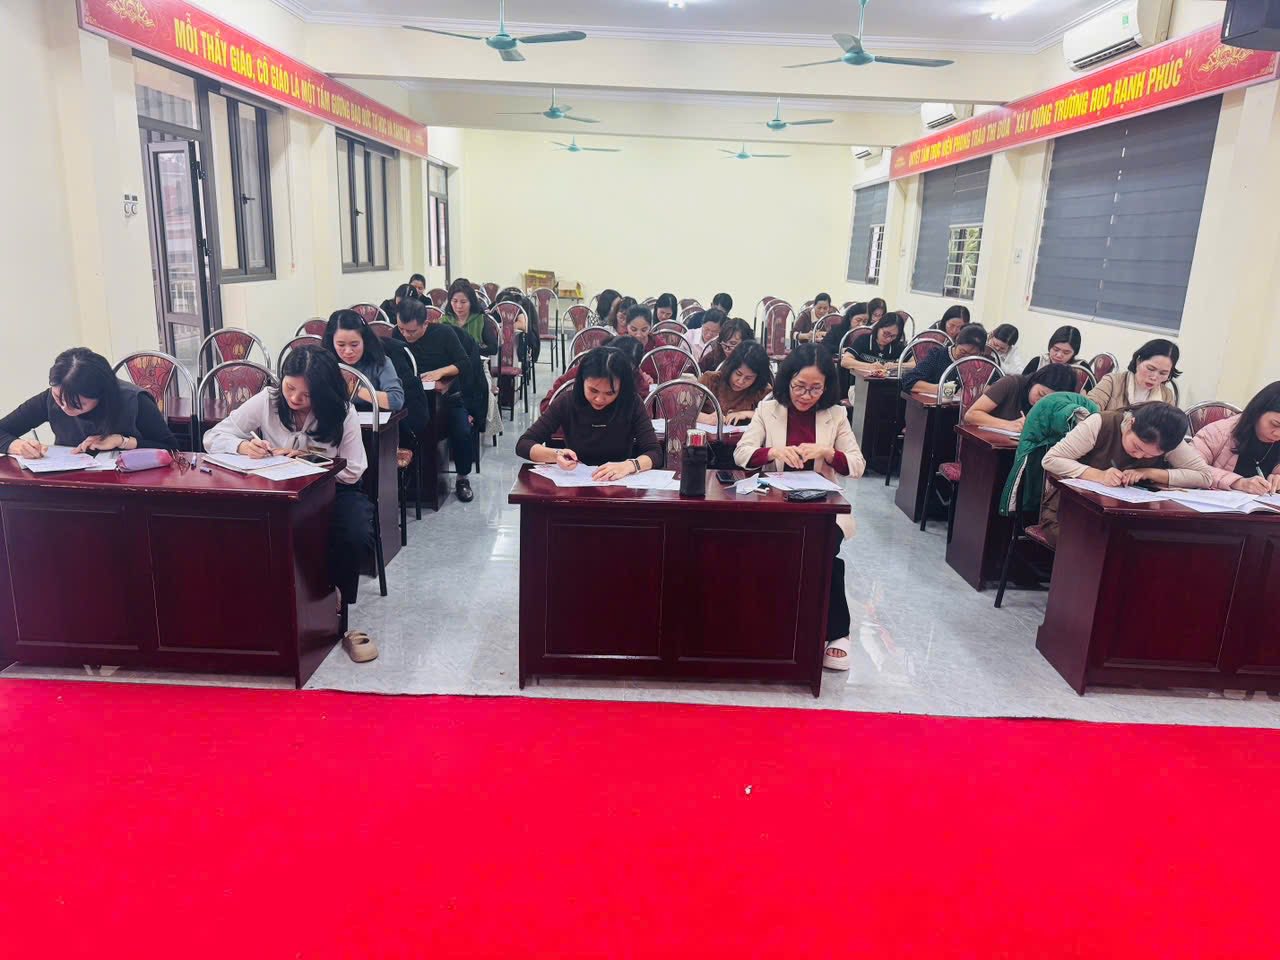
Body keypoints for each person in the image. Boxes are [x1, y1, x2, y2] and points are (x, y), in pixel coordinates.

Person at [202, 347, 377, 662]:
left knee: (354, 532)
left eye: (307, 394)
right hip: (280, 488)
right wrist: (243, 446)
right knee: (244, 529)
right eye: (290, 387)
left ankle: (337, 602)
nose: (295, 398)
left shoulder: (343, 412)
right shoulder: (268, 400)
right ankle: (262, 610)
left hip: (332, 490)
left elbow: (353, 471)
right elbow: (213, 437)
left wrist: (307, 459)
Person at [734, 344, 865, 672]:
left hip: (820, 506)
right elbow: (742, 454)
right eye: (799, 386)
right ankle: (771, 622)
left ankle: (837, 633)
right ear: (787, 380)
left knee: (824, 552)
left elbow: (857, 465)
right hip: (774, 502)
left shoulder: (836, 414)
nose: (806, 396)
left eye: (815, 388)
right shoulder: (768, 408)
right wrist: (774, 452)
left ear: (826, 386)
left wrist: (827, 452)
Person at [1039, 402, 1213, 545]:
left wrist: (1149, 472)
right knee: (1093, 546)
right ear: (1131, 424)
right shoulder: (1102, 423)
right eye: (1137, 447)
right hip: (1073, 511)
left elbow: (1204, 477)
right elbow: (1051, 459)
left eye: (1150, 455)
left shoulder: (1166, 439)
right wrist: (1099, 475)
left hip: (1130, 518)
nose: (1139, 456)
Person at [0, 347, 178, 457]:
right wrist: (17, 446)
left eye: (77, 405)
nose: (65, 408)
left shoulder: (134, 400)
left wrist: (122, 441)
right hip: (71, 482)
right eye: (59, 399)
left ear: (101, 394)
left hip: (128, 486)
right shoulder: (49, 399)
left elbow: (172, 449)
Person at [517, 346, 662, 479]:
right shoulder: (566, 402)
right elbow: (524, 444)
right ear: (582, 381)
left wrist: (628, 466)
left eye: (610, 393)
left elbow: (655, 453)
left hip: (619, 481)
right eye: (593, 390)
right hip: (574, 480)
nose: (599, 399)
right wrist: (556, 455)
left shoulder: (631, 403)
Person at [394, 298, 476, 502]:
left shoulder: (444, 334)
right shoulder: (397, 335)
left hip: (447, 399)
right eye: (402, 329)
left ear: (425, 324)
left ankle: (462, 478)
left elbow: (464, 363)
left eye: (411, 331)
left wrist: (441, 372)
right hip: (412, 400)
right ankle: (408, 482)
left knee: (462, 431)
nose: (405, 335)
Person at [1192, 381, 1280, 494]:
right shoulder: (1219, 432)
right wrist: (1238, 483)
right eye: (1275, 424)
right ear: (1257, 411)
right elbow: (1189, 466)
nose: (1278, 434)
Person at [542, 334, 655, 414]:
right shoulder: (586, 371)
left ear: (634, 368)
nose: (600, 399)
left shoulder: (638, 381)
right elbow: (547, 405)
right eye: (593, 390)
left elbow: (643, 418)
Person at [322, 310, 404, 412]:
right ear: (331, 342)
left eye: (354, 344)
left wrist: (356, 389)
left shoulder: (380, 362)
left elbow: (396, 401)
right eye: (341, 345)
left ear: (365, 341)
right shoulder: (326, 363)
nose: (348, 351)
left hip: (374, 418)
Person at [963, 363, 1078, 433]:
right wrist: (1009, 425)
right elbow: (971, 415)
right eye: (1041, 394)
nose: (1041, 402)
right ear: (1034, 381)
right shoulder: (1011, 383)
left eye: (1050, 401)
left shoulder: (1060, 404)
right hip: (985, 446)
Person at [1088, 339, 1180, 412]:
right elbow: (1087, 410)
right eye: (1150, 369)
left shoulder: (1166, 395)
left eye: (1163, 373)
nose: (1154, 377)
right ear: (1138, 361)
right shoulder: (1112, 382)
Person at [698, 342, 772, 426]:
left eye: (748, 378)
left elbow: (775, 415)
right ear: (730, 368)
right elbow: (686, 410)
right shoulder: (710, 380)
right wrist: (706, 419)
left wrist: (747, 414)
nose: (740, 381)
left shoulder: (761, 390)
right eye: (738, 374)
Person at [902, 324, 989, 394]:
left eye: (972, 355)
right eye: (962, 351)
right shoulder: (937, 355)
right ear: (957, 341)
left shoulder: (981, 363)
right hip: (936, 407)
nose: (966, 357)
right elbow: (909, 381)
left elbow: (992, 387)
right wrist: (941, 389)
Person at [840, 311, 909, 379]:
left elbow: (914, 363)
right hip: (861, 382)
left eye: (893, 336)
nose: (888, 339)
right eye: (886, 333)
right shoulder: (864, 339)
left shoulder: (896, 345)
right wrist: (869, 366)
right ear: (879, 327)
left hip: (888, 384)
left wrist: (897, 365)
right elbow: (845, 361)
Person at [447, 280, 497, 357]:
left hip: (474, 361)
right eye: (455, 301)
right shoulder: (445, 321)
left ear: (471, 302)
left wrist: (472, 349)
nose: (459, 306)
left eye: (463, 302)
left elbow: (493, 349)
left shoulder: (481, 320)